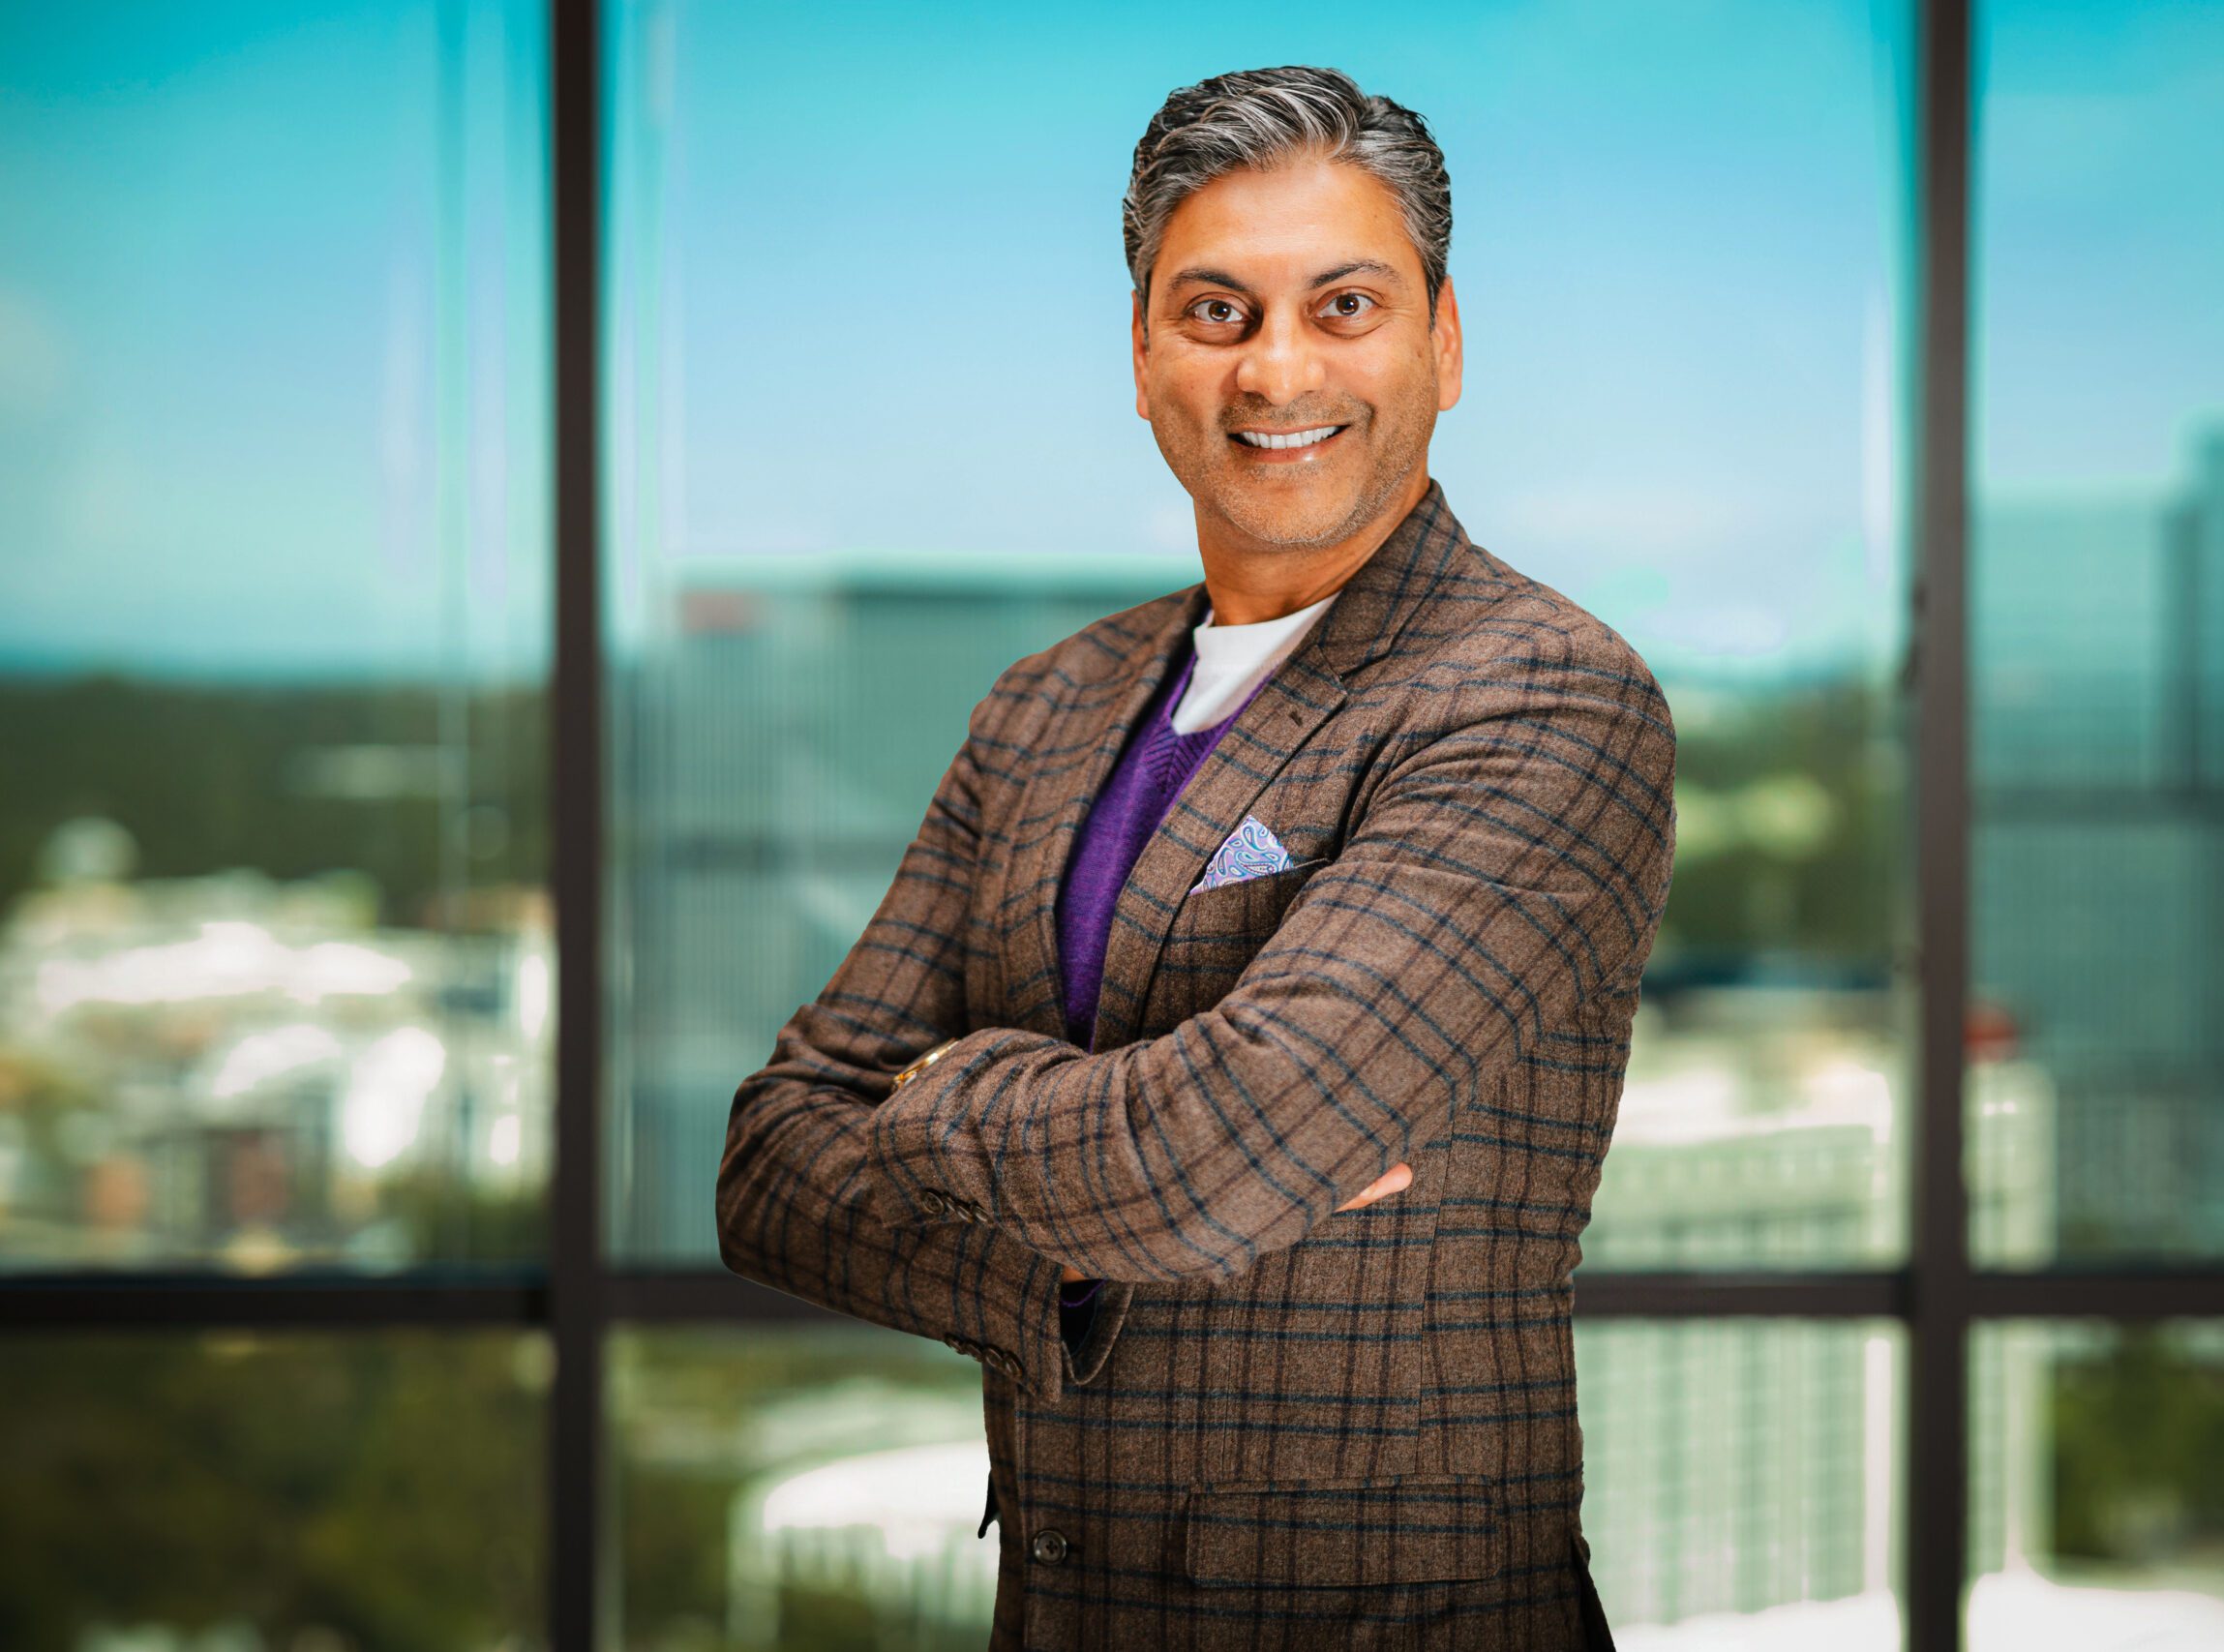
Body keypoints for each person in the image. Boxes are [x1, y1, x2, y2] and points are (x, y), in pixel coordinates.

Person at [715, 64, 1673, 1651]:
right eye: (1215, 310)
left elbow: (1217, 1160)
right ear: (1145, 358)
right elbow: (768, 1170)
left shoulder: (1542, 696)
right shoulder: (1046, 704)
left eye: (1344, 303)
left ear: (1443, 343)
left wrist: (941, 1089)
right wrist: (1088, 1254)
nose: (1275, 367)